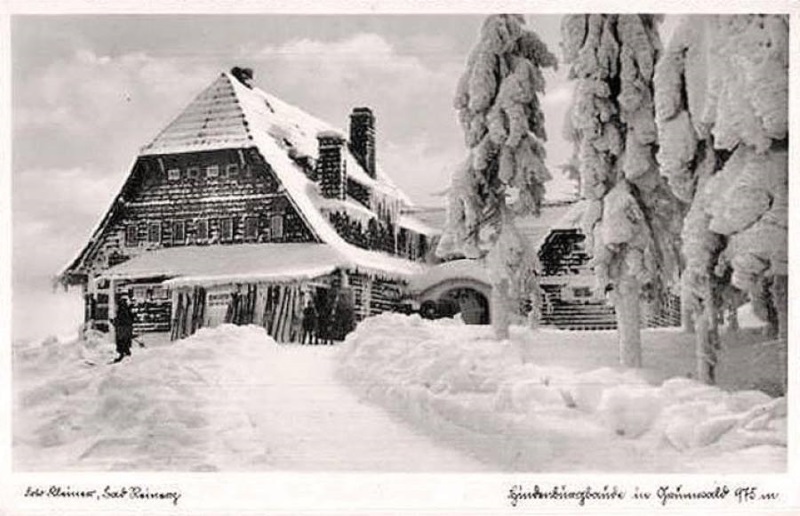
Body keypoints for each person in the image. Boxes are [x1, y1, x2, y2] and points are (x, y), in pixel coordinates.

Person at [112, 297, 134, 363]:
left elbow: (119, 319)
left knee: (121, 341)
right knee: (125, 340)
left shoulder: (121, 311)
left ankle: (122, 354)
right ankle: (126, 352)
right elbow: (131, 319)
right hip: (127, 329)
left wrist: (114, 322)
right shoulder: (128, 310)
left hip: (122, 329)